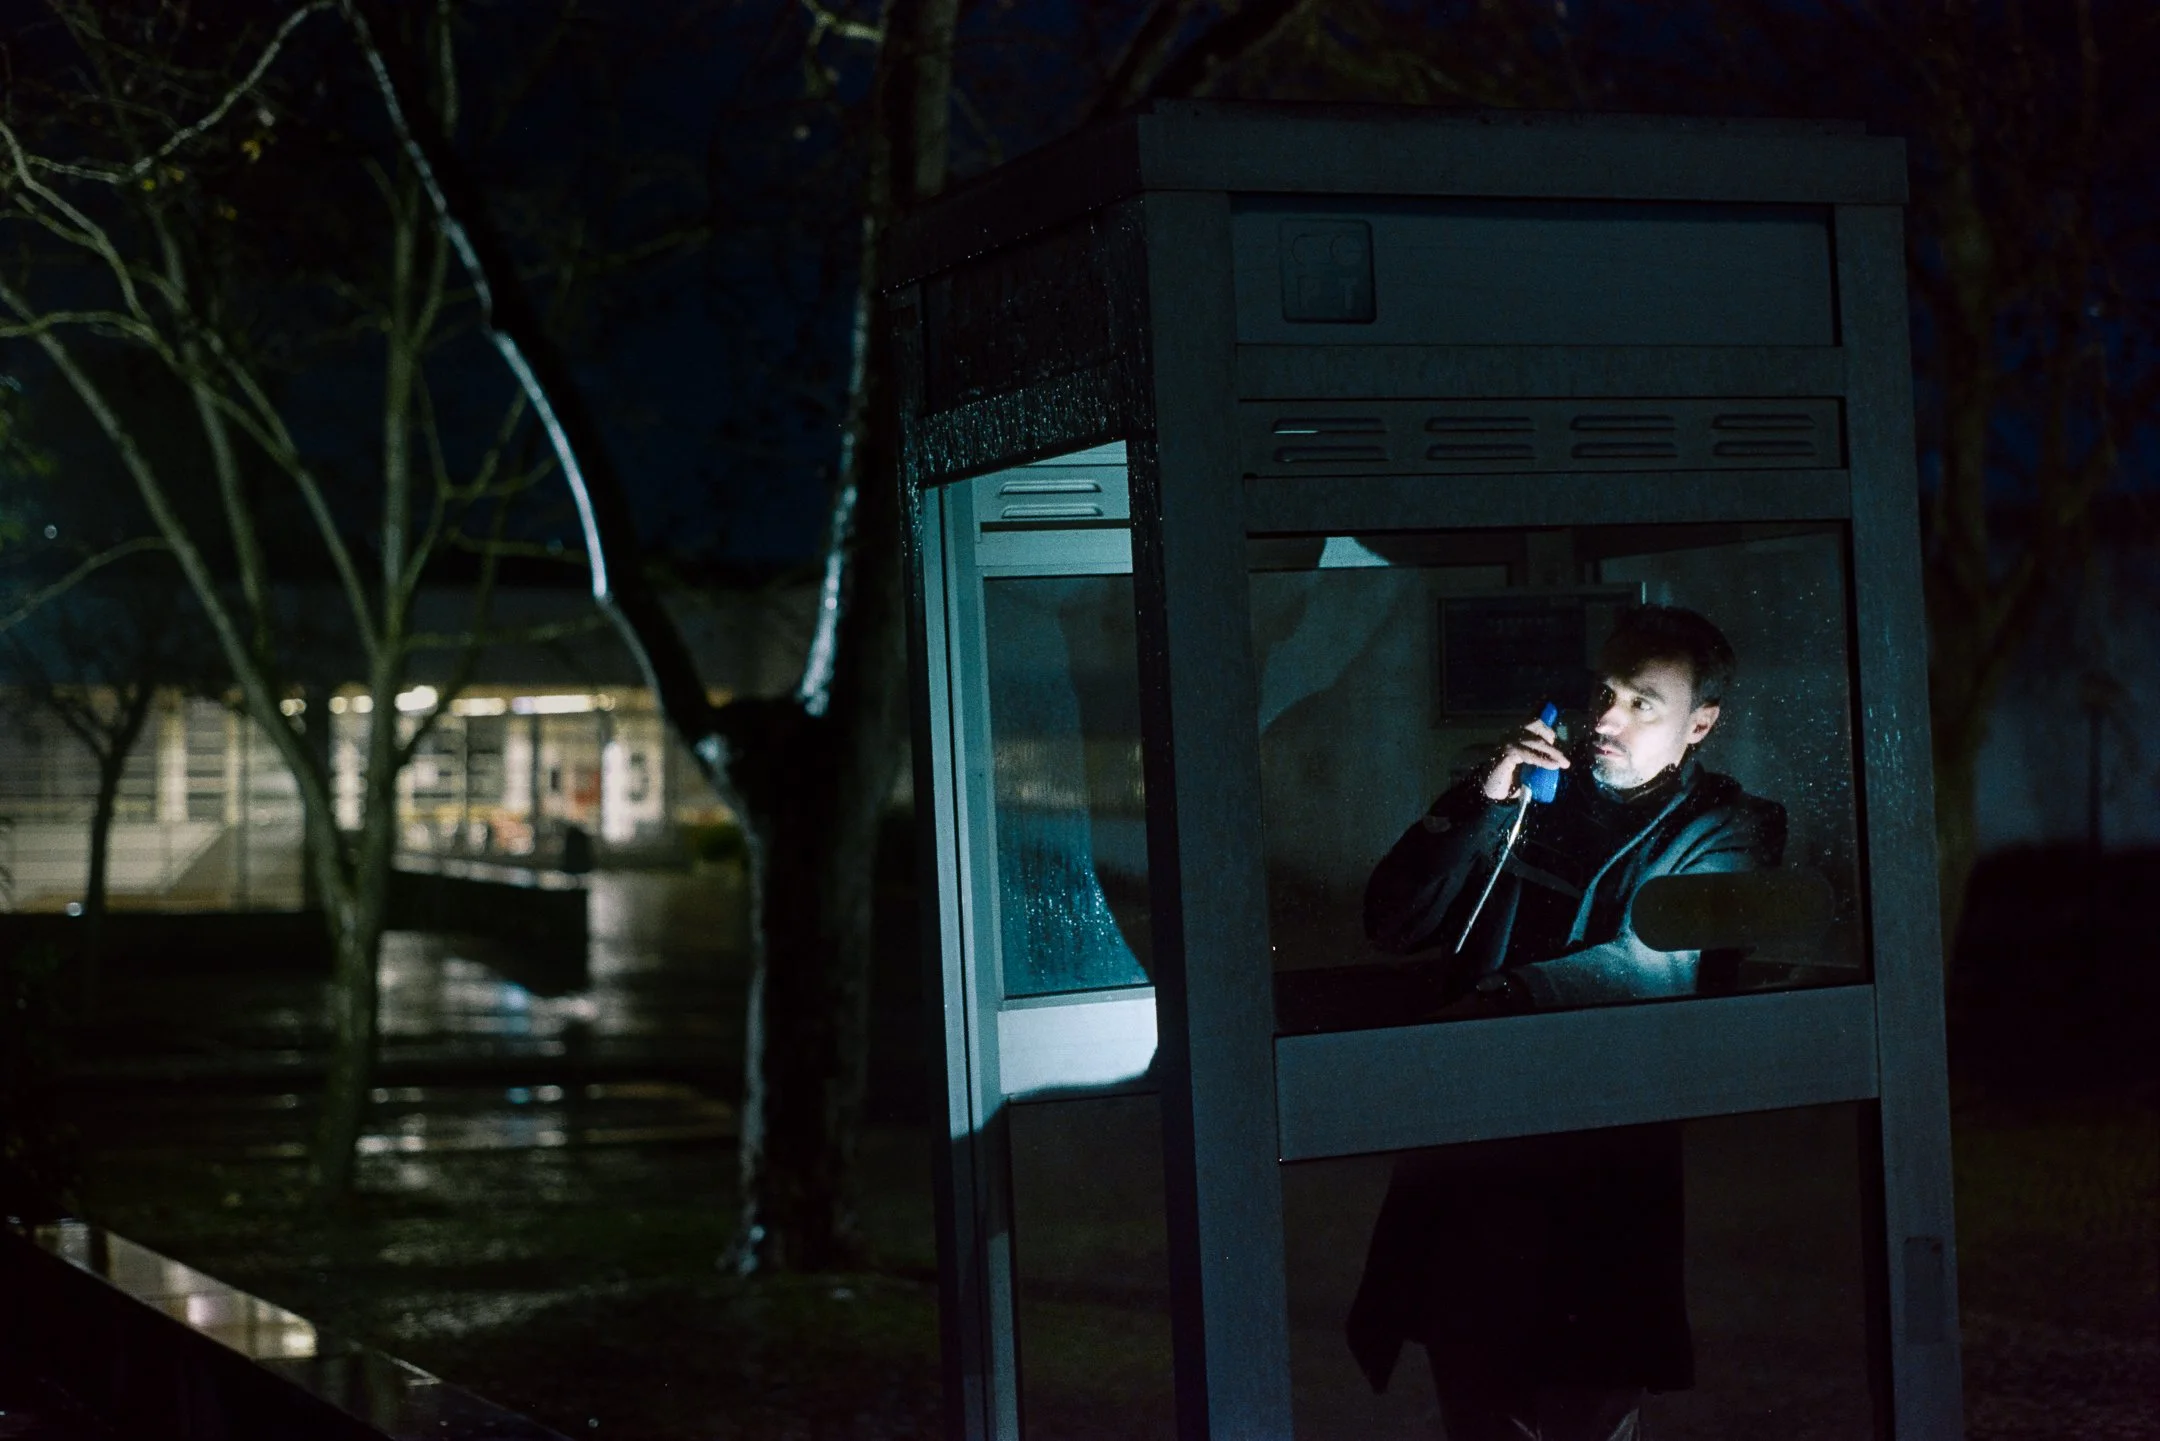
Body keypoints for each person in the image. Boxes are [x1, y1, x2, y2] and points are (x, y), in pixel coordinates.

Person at [1346, 605, 1786, 1441]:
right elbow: (1393, 921)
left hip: (1602, 1180)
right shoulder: (1533, 796)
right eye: (1604, 693)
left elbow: (1661, 962)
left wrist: (1501, 1001)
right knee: (1477, 1402)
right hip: (1477, 1167)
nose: (1607, 720)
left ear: (1702, 723)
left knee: (1589, 1406)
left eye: (1641, 702)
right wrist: (1483, 799)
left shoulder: (1728, 825)